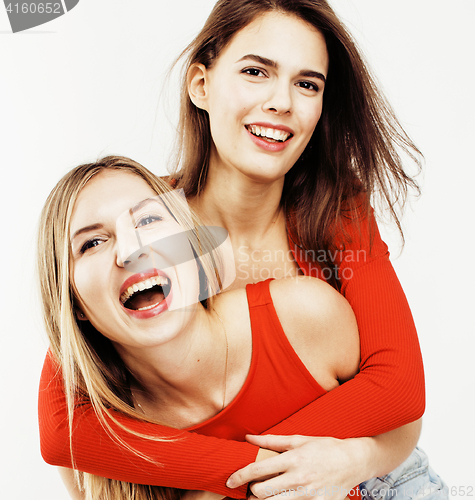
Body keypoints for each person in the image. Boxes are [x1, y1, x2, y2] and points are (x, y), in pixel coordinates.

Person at [38, 0, 446, 498]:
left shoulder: (337, 211)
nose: (282, 102)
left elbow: (400, 391)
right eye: (256, 71)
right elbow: (64, 431)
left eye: (307, 84)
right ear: (201, 85)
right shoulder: (145, 226)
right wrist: (241, 475)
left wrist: (359, 456)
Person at [38, 157, 441, 500]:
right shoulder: (92, 437)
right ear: (73, 304)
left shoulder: (306, 314)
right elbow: (57, 434)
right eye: (91, 243)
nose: (132, 250)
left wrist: (356, 461)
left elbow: (400, 409)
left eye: (146, 220)